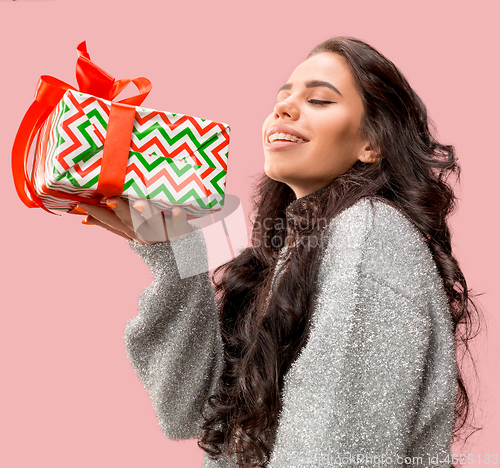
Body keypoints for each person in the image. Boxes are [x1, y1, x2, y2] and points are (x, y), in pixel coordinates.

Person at [75, 37, 482, 468]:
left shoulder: (368, 234)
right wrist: (176, 253)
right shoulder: (292, 248)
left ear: (371, 144)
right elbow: (192, 411)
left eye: (320, 100)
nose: (283, 109)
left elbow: (334, 453)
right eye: (282, 97)